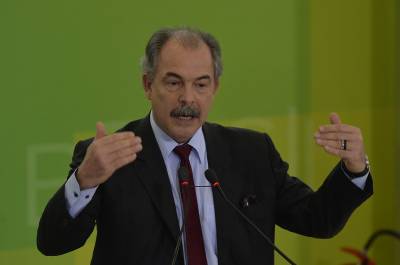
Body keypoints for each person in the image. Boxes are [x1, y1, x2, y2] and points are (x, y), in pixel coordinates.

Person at [37, 27, 373, 265]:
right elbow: (53, 244)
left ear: (215, 87)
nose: (188, 98)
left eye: (201, 84)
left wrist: (353, 168)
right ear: (148, 84)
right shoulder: (110, 156)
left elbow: (317, 220)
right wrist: (85, 180)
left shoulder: (251, 152)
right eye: (173, 82)